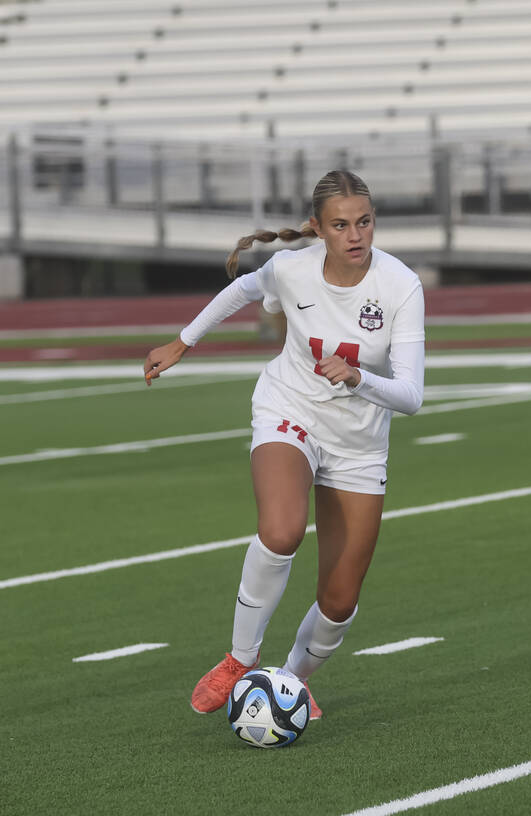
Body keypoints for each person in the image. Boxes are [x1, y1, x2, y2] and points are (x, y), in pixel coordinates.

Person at [143, 170, 425, 717]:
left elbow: (411, 396)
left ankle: (290, 683)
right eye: (340, 225)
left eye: (364, 222)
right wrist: (182, 343)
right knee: (282, 529)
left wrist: (358, 378)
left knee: (340, 602)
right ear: (318, 229)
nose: (355, 235)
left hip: (359, 446)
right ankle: (239, 659)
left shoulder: (400, 285)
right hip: (289, 409)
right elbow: (242, 289)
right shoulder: (291, 269)